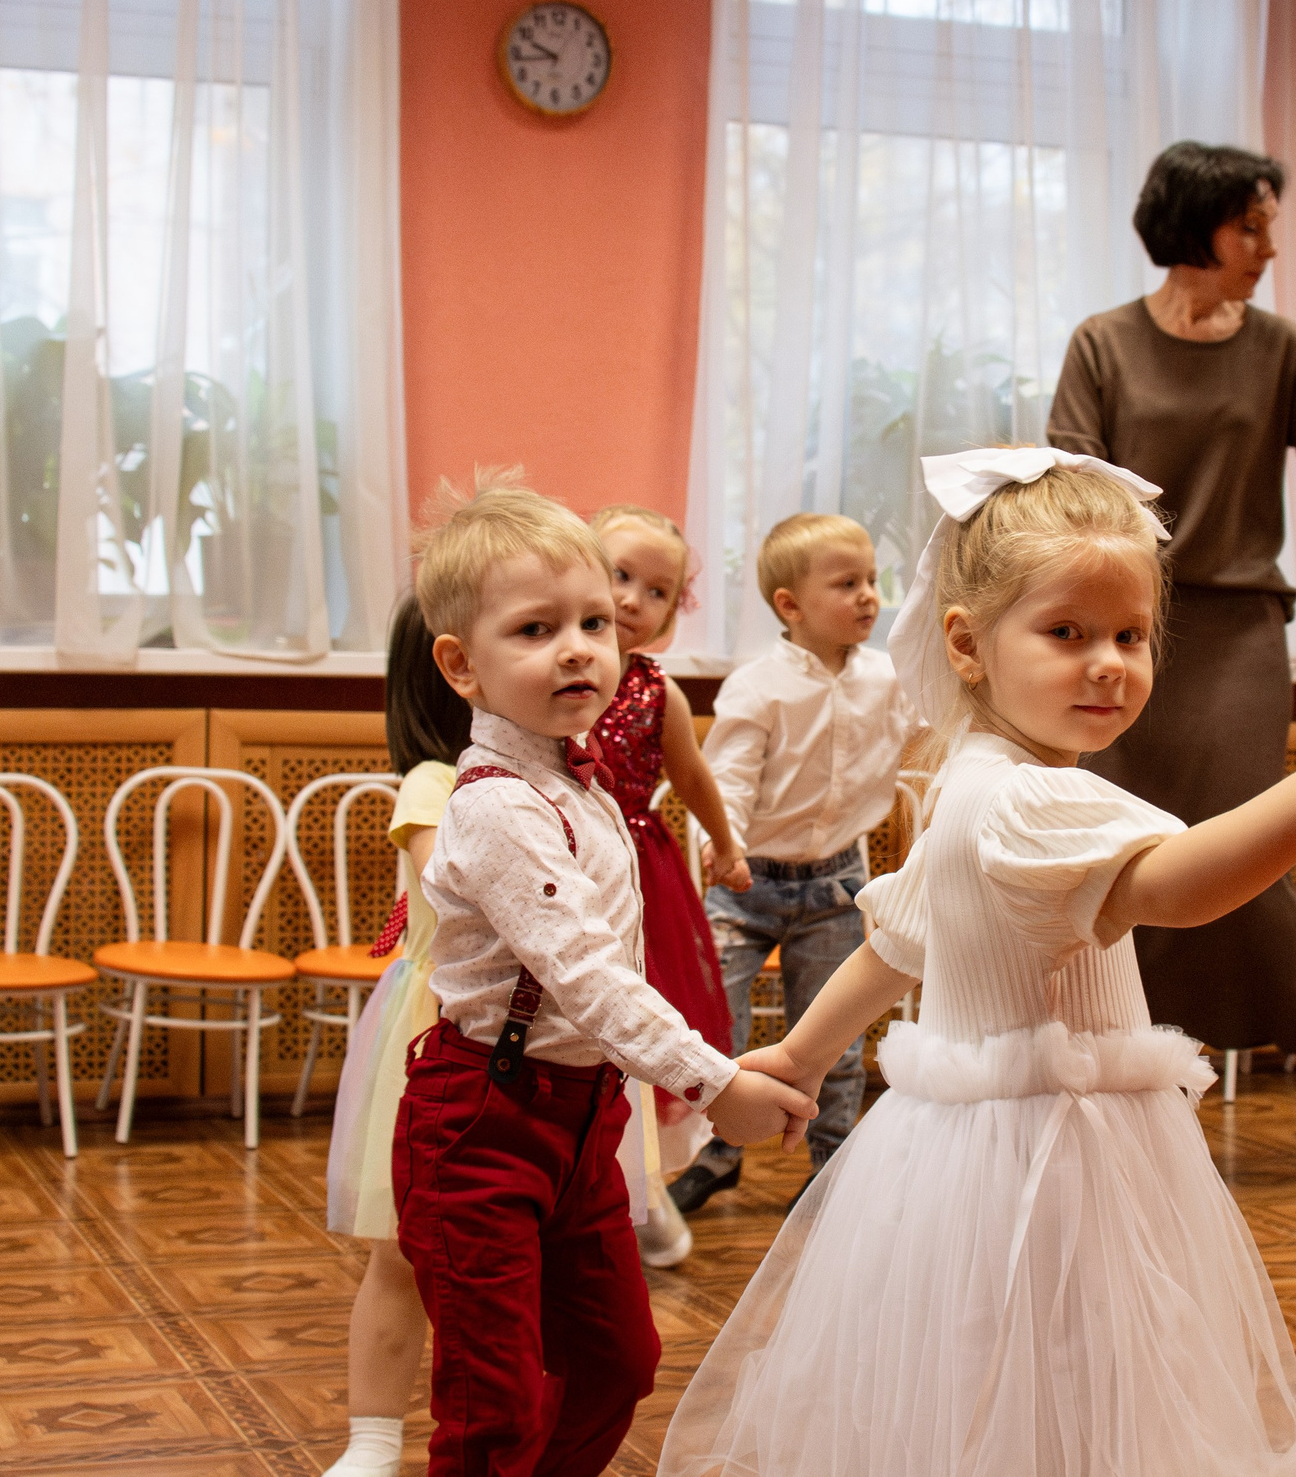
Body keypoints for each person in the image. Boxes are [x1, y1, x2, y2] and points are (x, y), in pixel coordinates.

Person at [655, 448, 1296, 1477]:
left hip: (965, 1152)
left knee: (988, 1382)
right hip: (1049, 1156)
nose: (1108, 661)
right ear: (968, 643)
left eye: (1130, 635)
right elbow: (1176, 885)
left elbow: (896, 943)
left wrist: (797, 1051)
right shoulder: (1029, 798)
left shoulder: (976, 780)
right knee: (1067, 1374)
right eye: (1067, 633)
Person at [393, 476, 816, 1477]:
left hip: (584, 1120)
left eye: (593, 621)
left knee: (618, 1360)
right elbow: (586, 976)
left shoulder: (578, 787)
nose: (580, 645)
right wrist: (716, 1082)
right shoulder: (497, 806)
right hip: (482, 1122)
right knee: (491, 1399)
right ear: (462, 664)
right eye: (536, 628)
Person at [1048, 140, 1296, 1189]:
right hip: (1126, 633)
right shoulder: (1101, 344)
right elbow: (1070, 487)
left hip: (1239, 633)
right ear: (1196, 226)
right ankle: (1125, 1096)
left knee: (1240, 849)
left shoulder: (1279, 348)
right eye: (1252, 225)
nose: (1267, 246)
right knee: (1118, 860)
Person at [667, 512, 917, 1213]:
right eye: (848, 583)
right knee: (717, 1025)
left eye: (872, 580)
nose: (869, 595)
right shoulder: (759, 686)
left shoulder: (887, 680)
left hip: (838, 884)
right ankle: (716, 1154)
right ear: (790, 604)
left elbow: (936, 731)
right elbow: (731, 777)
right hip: (749, 885)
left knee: (831, 1035)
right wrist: (728, 844)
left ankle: (831, 1165)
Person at [318, 595, 467, 1477]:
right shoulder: (434, 784)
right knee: (402, 1253)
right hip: (437, 1036)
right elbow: (457, 889)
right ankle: (372, 1440)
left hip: (550, 1044)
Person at [588, 503, 750, 1268]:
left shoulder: (659, 692)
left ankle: (641, 1190)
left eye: (655, 591)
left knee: (631, 1031)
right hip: (549, 861)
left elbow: (692, 775)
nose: (630, 600)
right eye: (618, 575)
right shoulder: (546, 667)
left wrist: (725, 844)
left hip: (634, 874)